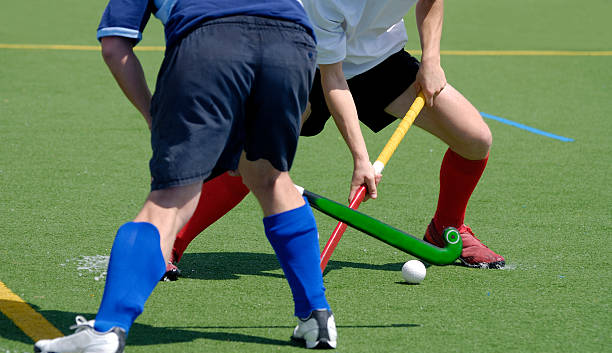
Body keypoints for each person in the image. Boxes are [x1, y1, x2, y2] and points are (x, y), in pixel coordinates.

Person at [32, 0, 337, 353]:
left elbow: (115, 45)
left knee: (169, 200)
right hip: (293, 42)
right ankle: (316, 318)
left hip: (210, 41)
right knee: (272, 180)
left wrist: (152, 115)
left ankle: (106, 332)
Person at [165, 0, 504, 277]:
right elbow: (334, 80)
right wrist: (360, 159)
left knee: (474, 138)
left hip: (380, 60)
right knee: (257, 155)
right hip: (307, 61)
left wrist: (431, 60)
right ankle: (169, 244)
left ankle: (448, 226)